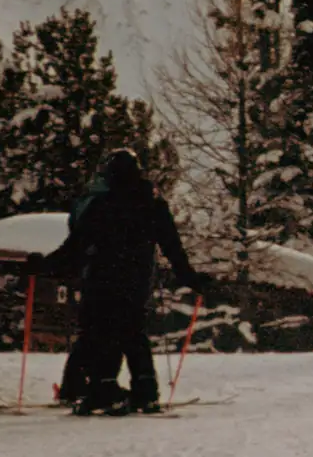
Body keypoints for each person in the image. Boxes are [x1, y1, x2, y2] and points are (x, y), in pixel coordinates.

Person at [49, 150, 205, 414]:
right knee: (133, 330)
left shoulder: (102, 204)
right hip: (137, 279)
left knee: (100, 331)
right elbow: (171, 245)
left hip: (102, 277)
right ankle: (146, 391)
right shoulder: (152, 203)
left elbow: (76, 245)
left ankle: (103, 389)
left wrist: (43, 265)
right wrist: (189, 276)